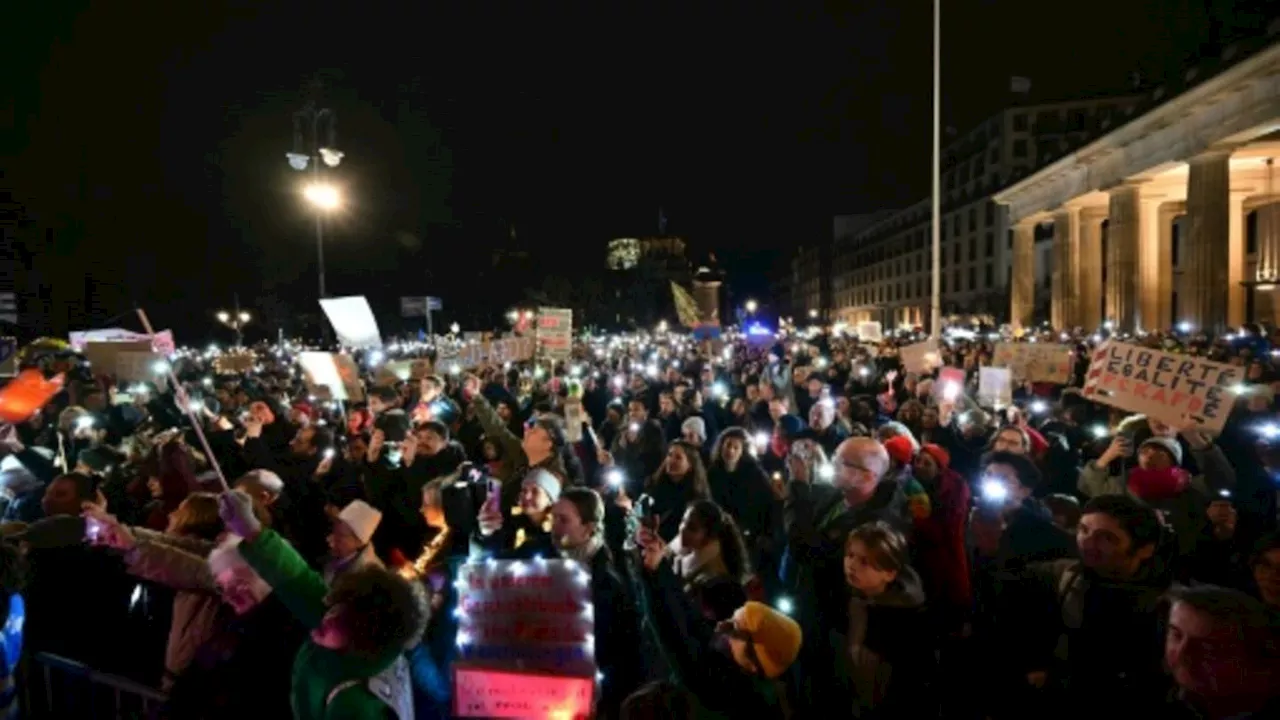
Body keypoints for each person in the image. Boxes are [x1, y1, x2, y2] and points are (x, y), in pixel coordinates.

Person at [218, 490, 428, 719]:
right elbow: (298, 579)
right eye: (335, 605)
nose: (327, 616)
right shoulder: (348, 627)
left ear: (363, 636)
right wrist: (252, 530)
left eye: (341, 617)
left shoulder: (357, 706)